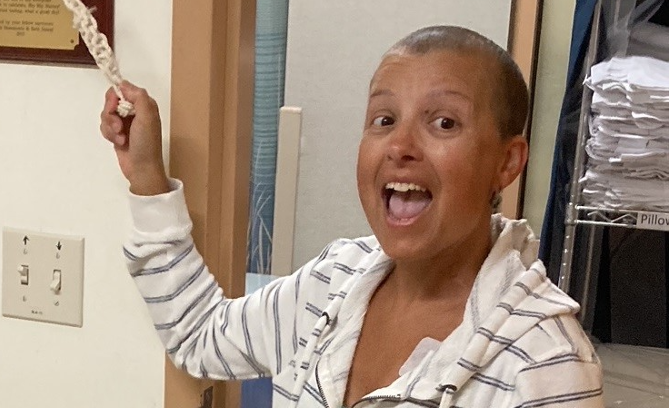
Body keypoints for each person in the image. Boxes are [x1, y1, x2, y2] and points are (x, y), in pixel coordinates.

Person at [100, 26, 604, 408]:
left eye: (444, 122)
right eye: (384, 120)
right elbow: (199, 334)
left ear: (507, 162)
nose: (400, 146)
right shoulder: (333, 283)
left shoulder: (546, 365)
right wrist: (147, 176)